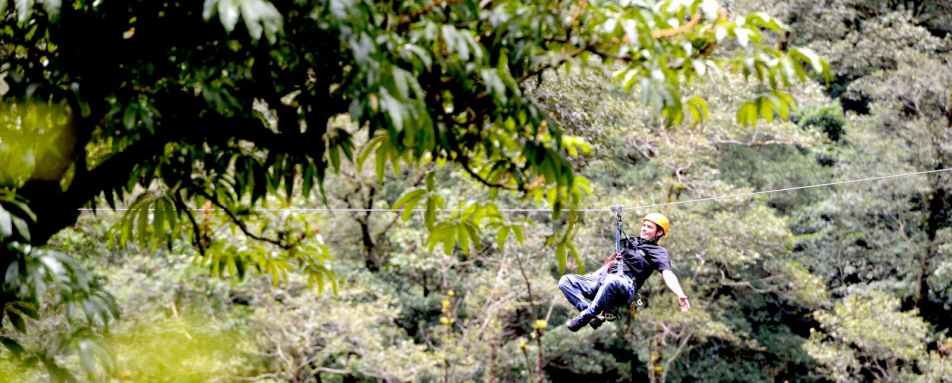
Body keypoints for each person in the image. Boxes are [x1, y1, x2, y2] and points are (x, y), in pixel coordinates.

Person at [558, 213, 690, 332]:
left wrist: (680, 293)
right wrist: (594, 275)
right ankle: (591, 313)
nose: (644, 228)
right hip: (603, 279)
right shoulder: (630, 242)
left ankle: (585, 317)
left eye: (649, 227)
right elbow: (610, 262)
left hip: (625, 285)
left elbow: (667, 273)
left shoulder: (658, 252)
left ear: (659, 233)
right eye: (643, 225)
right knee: (566, 281)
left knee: (613, 280)